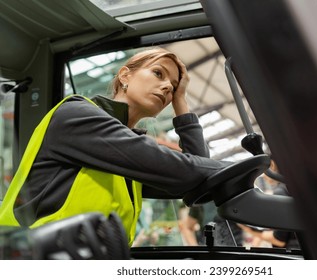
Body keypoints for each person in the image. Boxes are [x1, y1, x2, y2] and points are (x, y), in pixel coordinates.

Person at [0, 47, 232, 246]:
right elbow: (193, 169)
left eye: (172, 87)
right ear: (125, 76)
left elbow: (198, 183)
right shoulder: (77, 115)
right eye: (158, 73)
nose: (167, 88)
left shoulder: (127, 154)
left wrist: (181, 100)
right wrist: (235, 169)